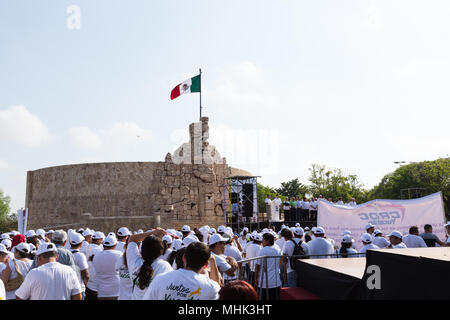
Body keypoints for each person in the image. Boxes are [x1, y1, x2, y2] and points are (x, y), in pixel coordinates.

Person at [143, 241, 221, 300]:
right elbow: (217, 288)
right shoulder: (211, 287)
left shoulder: (160, 279)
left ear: (183, 258)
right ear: (206, 265)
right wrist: (213, 261)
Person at [15, 242, 82, 300]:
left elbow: (20, 297)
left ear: (39, 258)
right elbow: (78, 296)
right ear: (57, 257)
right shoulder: (70, 271)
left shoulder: (34, 273)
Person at [126, 229, 172, 300]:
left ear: (142, 248)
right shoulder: (164, 266)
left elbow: (132, 239)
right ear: (161, 250)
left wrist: (152, 233)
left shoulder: (134, 261)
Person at [92, 235, 122, 300]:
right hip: (117, 292)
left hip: (101, 292)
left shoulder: (96, 256)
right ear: (115, 245)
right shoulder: (119, 254)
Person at [254, 232, 282, 300]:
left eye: (263, 240)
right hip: (276, 281)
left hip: (264, 281)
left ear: (267, 241)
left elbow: (257, 265)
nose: (262, 241)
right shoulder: (278, 249)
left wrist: (256, 278)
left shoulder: (263, 250)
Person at [69, 232, 90, 299]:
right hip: (79, 288)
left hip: (67, 287)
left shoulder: (66, 253)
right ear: (81, 244)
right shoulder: (80, 256)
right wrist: (85, 284)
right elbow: (86, 274)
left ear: (70, 243)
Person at [85, 231, 105, 300]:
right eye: (101, 239)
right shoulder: (99, 250)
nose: (102, 241)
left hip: (88, 281)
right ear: (99, 240)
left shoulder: (86, 247)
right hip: (96, 282)